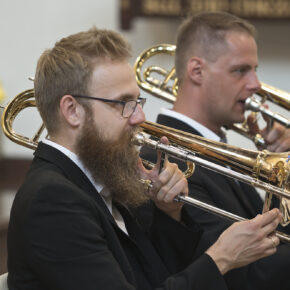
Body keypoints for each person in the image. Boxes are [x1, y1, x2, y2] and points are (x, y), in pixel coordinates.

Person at [7, 27, 282, 290]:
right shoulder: (52, 199)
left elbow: (159, 277)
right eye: (124, 104)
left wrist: (168, 214)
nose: (140, 118)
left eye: (139, 102)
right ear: (72, 110)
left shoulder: (105, 182)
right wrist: (222, 257)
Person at [140, 11, 290, 290]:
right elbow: (247, 271)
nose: (256, 84)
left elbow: (275, 234)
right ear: (197, 71)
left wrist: (283, 175)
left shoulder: (218, 144)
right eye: (240, 70)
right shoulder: (166, 158)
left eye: (254, 69)